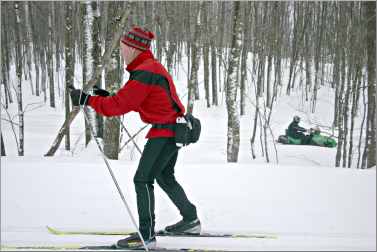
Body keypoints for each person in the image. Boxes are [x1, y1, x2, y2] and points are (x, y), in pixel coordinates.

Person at [70, 27, 200, 249]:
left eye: (122, 47)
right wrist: (106, 97)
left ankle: (146, 235)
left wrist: (87, 100)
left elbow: (120, 106)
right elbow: (133, 99)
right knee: (164, 177)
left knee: (142, 179)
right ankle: (190, 220)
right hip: (171, 131)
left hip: (165, 133)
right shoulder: (149, 68)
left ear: (132, 48)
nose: (121, 51)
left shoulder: (146, 71)